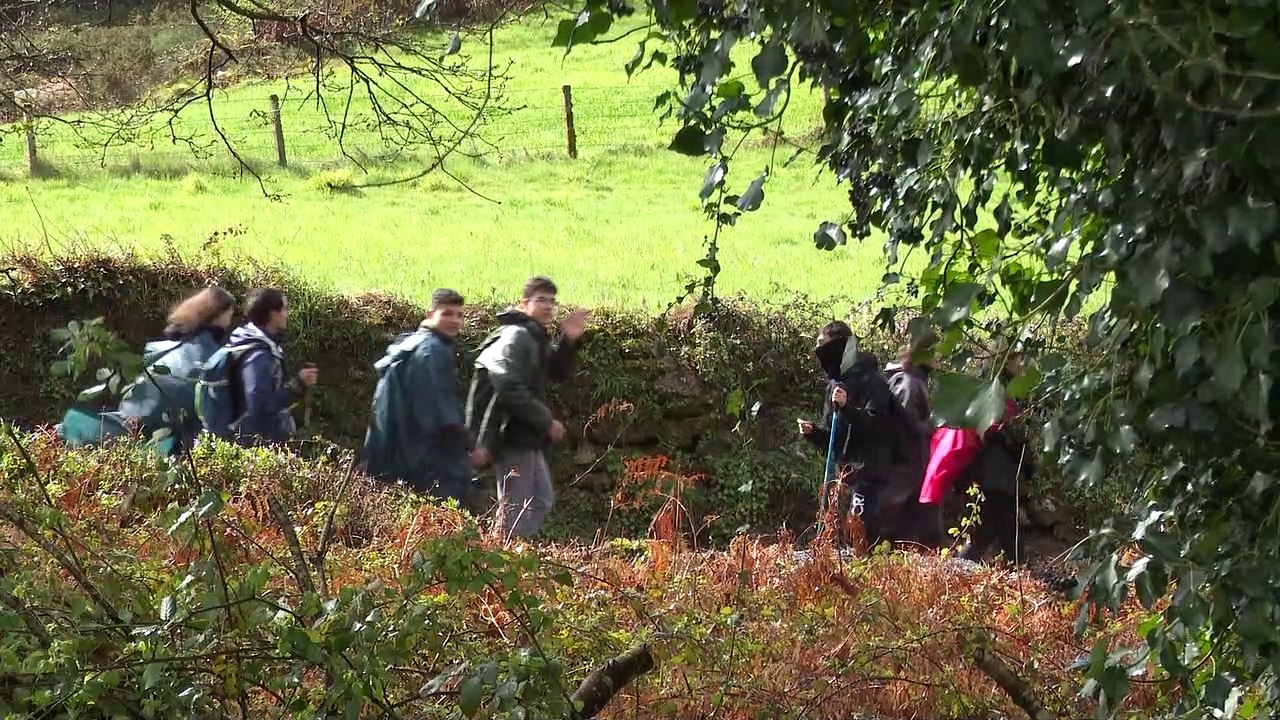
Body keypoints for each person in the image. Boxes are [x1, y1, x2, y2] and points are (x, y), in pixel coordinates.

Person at [466, 276, 588, 541]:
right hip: (511, 436)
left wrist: (568, 340)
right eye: (541, 300)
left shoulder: (534, 337)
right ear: (524, 304)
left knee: (540, 500)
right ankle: (501, 562)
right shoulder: (516, 336)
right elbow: (508, 386)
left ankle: (508, 557)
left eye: (552, 301)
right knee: (515, 509)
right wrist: (546, 422)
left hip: (524, 436)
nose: (548, 306)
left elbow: (556, 371)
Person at [57, 286, 236, 456]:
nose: (230, 320)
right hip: (170, 425)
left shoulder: (169, 346)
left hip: (139, 410)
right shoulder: (212, 352)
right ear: (219, 314)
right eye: (230, 314)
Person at [361, 288, 487, 505]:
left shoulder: (408, 344)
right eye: (447, 313)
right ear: (430, 314)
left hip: (394, 456)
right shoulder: (432, 351)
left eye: (459, 315)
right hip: (425, 461)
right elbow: (438, 412)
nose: (454, 320)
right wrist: (471, 446)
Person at [797, 321, 898, 547]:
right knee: (842, 539)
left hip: (869, 475)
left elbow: (879, 426)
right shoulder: (833, 385)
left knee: (862, 536)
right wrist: (814, 434)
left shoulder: (872, 382)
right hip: (843, 475)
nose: (819, 351)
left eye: (823, 345)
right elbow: (834, 438)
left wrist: (847, 407)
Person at [958, 352, 1034, 565]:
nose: (1023, 364)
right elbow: (994, 430)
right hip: (994, 472)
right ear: (1006, 360)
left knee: (991, 531)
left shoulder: (1000, 389)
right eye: (1019, 359)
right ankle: (1024, 573)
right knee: (1002, 529)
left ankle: (955, 570)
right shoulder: (994, 391)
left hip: (996, 472)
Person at [228, 288, 318, 447]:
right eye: (284, 309)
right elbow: (260, 405)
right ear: (272, 314)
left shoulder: (262, 346)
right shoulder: (258, 354)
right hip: (255, 444)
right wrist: (297, 384)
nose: (287, 314)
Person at [881, 327, 943, 547]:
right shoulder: (907, 383)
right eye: (936, 351)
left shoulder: (917, 380)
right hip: (905, 472)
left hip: (914, 470)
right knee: (900, 534)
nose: (941, 356)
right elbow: (903, 426)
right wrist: (935, 425)